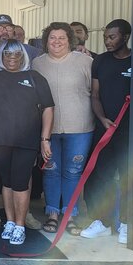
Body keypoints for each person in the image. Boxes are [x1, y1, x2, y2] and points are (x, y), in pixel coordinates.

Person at [0, 40, 55, 245]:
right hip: (0, 140)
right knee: (7, 182)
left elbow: (48, 108)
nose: (12, 58)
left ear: (23, 57)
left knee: (20, 183)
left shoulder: (34, 78)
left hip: (26, 141)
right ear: (1, 56)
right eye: (7, 54)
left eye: (17, 54)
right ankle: (9, 222)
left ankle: (20, 225)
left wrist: (45, 139)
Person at [32, 22, 94, 236]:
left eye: (61, 38)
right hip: (49, 130)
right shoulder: (37, 64)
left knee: (72, 172)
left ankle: (70, 215)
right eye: (52, 38)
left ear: (70, 40)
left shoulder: (85, 61)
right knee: (51, 171)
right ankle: (52, 214)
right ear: (45, 40)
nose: (56, 42)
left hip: (80, 127)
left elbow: (92, 91)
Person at [81, 19, 133, 244]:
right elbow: (94, 95)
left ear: (126, 37)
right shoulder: (100, 61)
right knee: (99, 176)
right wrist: (102, 119)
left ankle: (126, 223)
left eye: (112, 37)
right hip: (104, 130)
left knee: (128, 176)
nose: (107, 41)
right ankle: (101, 221)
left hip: (129, 132)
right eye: (105, 37)